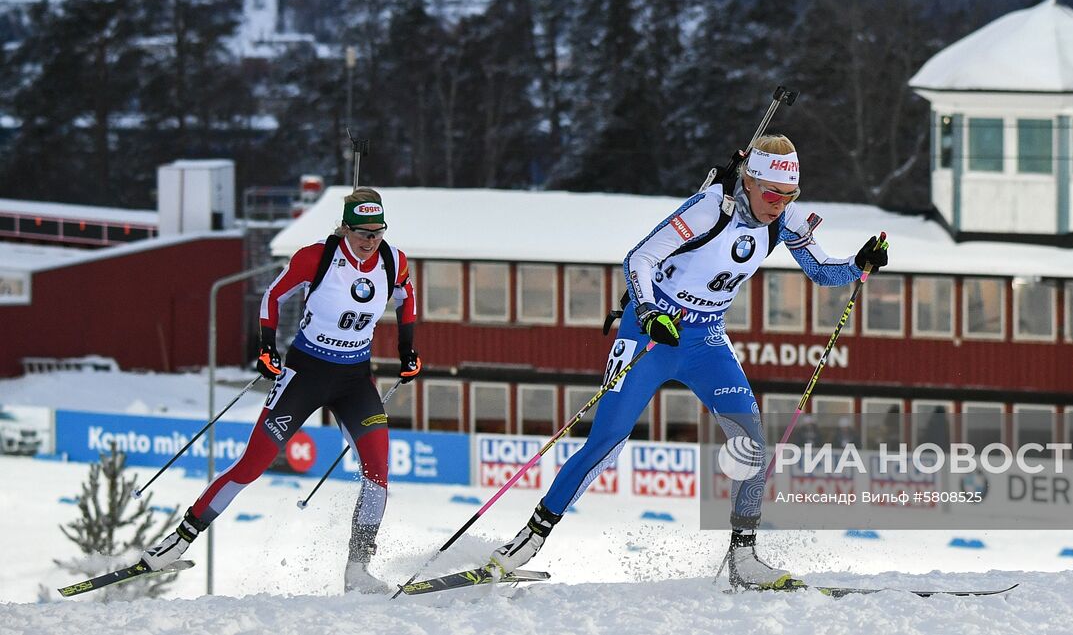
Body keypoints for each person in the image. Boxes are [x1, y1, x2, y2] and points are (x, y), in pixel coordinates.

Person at [483, 135, 887, 591]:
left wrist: (859, 263)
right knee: (608, 439)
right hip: (653, 333)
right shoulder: (708, 209)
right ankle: (529, 540)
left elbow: (821, 271)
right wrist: (651, 312)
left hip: (706, 339)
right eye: (771, 194)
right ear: (749, 181)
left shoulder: (785, 220)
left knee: (750, 440)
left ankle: (744, 556)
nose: (779, 204)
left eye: (789, 195)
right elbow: (640, 257)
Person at [140, 187, 422, 594]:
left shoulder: (393, 261)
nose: (370, 241)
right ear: (345, 228)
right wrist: (266, 347)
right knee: (252, 465)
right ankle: (178, 540)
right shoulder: (316, 257)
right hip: (306, 373)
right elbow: (273, 296)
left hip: (354, 379)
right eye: (361, 232)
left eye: (377, 232)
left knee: (378, 472)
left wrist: (407, 349)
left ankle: (357, 570)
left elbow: (406, 299)